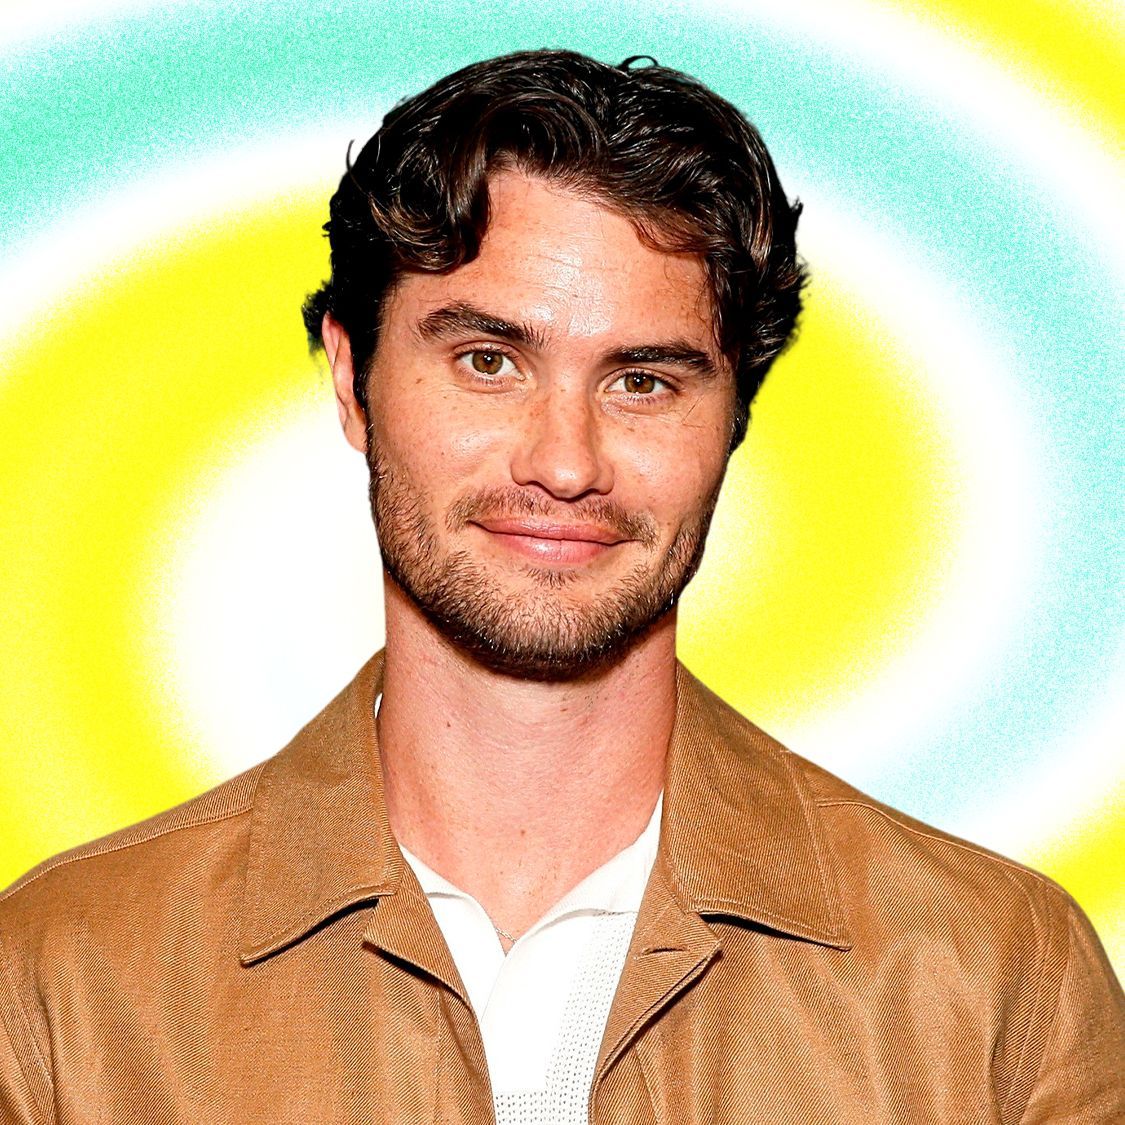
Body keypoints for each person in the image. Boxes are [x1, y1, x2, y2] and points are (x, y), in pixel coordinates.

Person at [1, 48, 1121, 1124]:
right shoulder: (62, 981)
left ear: (734, 414)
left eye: (643, 381)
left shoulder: (991, 979)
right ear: (351, 378)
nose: (565, 462)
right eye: (488, 361)